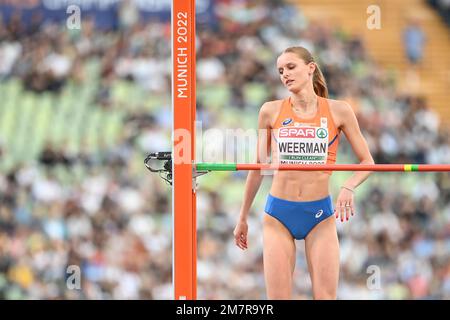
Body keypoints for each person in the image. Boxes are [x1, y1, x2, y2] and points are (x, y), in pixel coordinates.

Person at [233, 46, 375, 299]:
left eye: (290, 67)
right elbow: (257, 168)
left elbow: (367, 161)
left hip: (319, 215)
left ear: (310, 68)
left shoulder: (339, 110)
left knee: (325, 297)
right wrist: (242, 217)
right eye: (280, 71)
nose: (284, 75)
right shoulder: (270, 110)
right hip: (278, 215)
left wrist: (348, 186)